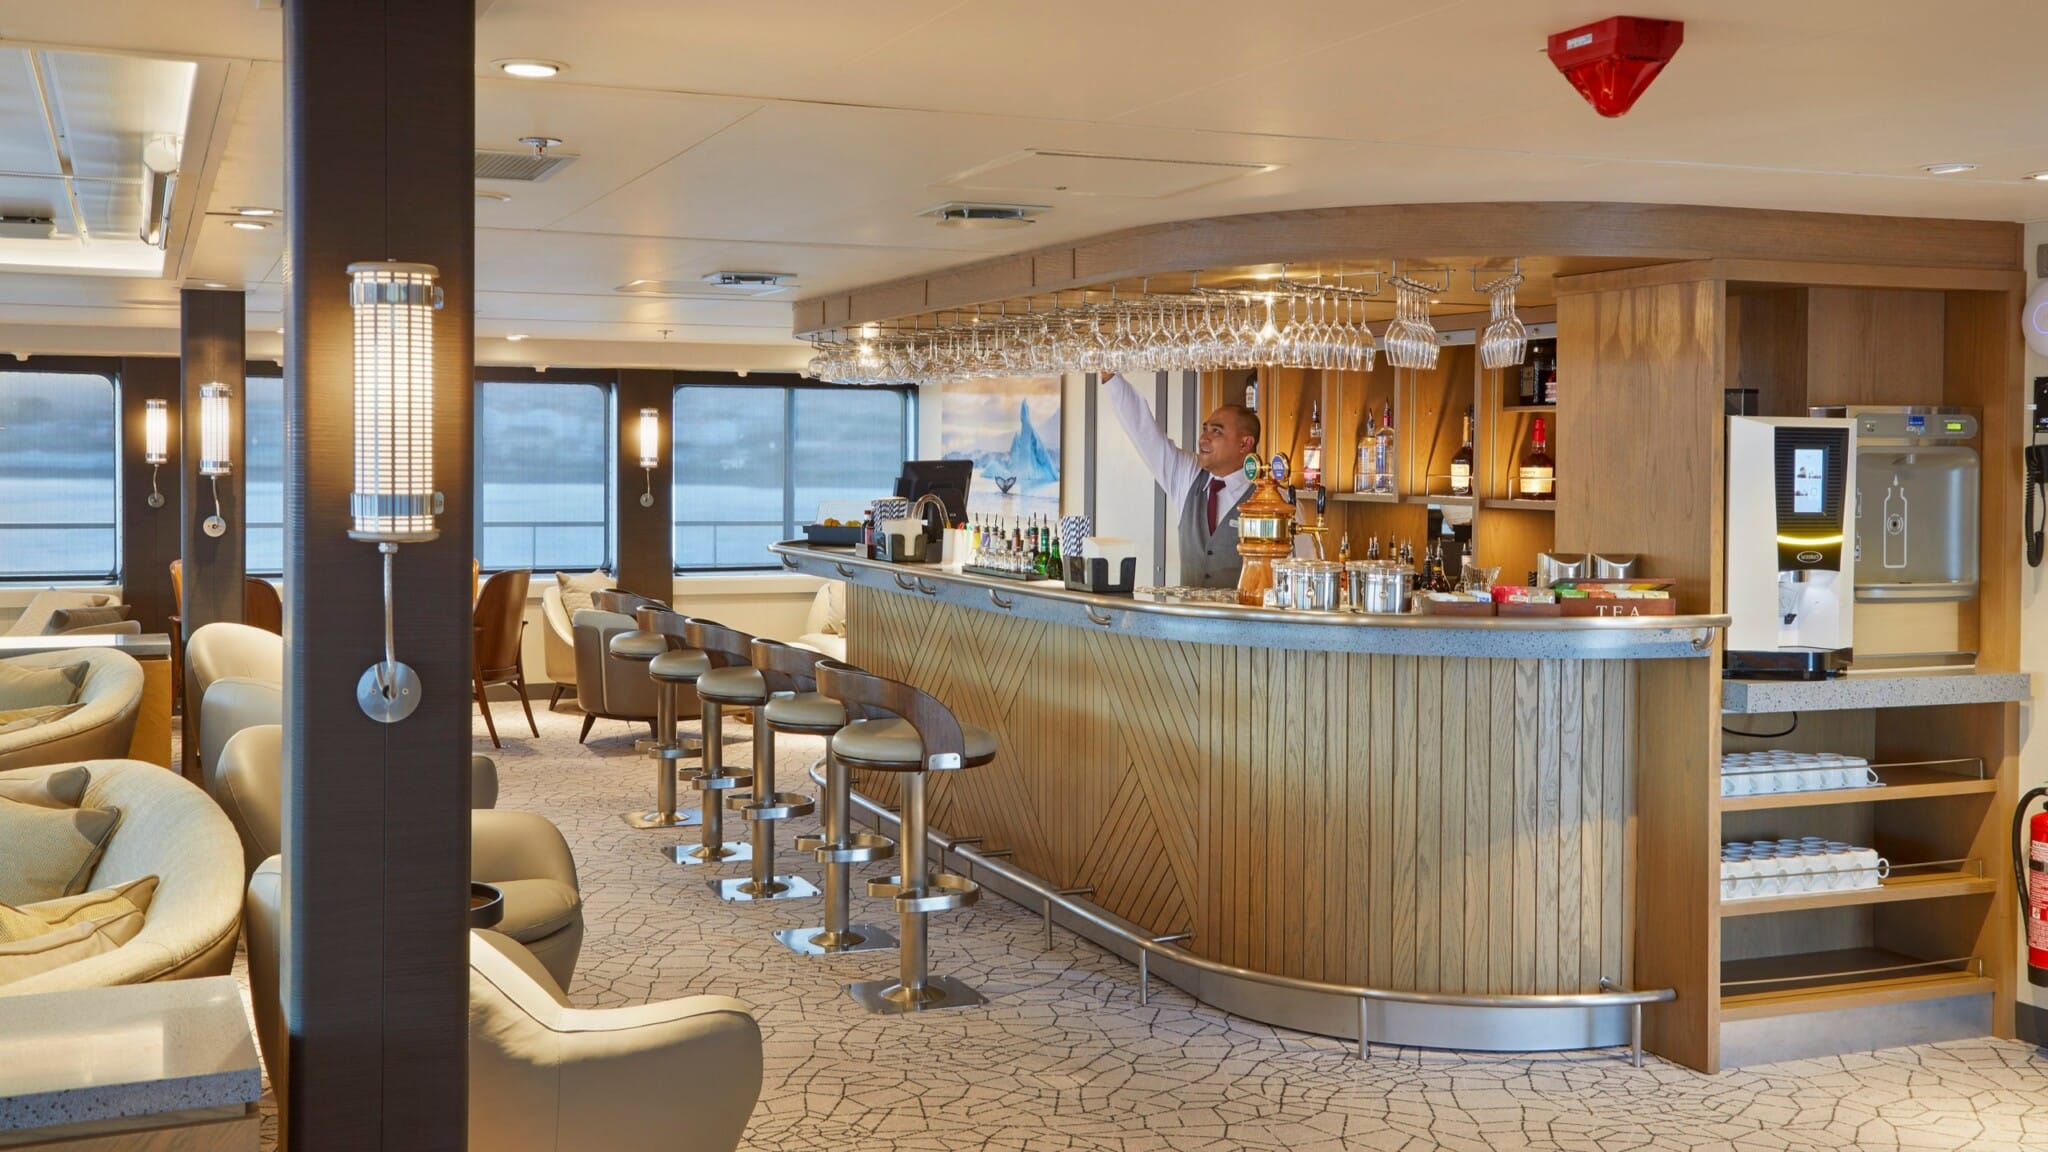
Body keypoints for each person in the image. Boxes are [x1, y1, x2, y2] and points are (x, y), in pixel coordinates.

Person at [1101, 370, 1263, 589]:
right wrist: (1111, 378)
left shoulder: (1271, 498)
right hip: (1187, 612)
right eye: (1205, 429)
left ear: (1245, 444)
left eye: (1216, 432)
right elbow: (1143, 432)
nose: (1203, 438)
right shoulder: (1188, 475)